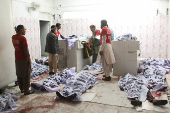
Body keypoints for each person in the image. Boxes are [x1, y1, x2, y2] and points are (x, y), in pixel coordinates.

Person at [12, 25, 34, 95]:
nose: (25, 30)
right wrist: (29, 58)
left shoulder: (13, 37)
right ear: (21, 30)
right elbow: (26, 51)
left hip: (17, 58)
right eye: (24, 29)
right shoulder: (23, 38)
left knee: (19, 74)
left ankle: (22, 88)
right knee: (26, 75)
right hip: (24, 59)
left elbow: (17, 36)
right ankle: (26, 91)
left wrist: (17, 31)